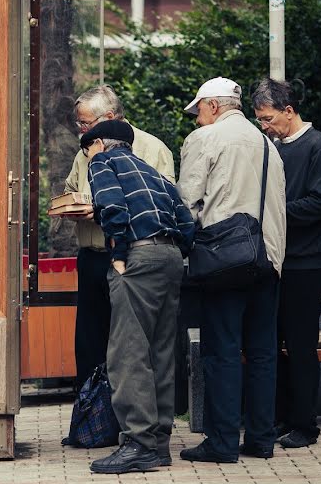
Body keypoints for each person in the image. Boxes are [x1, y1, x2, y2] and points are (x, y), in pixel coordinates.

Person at [177, 77, 287, 463]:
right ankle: (260, 439)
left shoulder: (204, 140)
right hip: (268, 259)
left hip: (224, 261)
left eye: (198, 112)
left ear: (212, 106)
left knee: (221, 351)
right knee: (262, 353)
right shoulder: (268, 144)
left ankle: (221, 443)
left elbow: (187, 201)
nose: (196, 120)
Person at [81, 120, 195, 474]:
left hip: (138, 259)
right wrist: (178, 252)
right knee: (161, 350)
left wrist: (118, 254)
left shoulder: (103, 163)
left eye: (87, 151)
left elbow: (112, 207)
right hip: (170, 258)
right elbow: (185, 219)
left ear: (99, 143)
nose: (88, 158)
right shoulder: (153, 172)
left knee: (127, 353)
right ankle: (159, 443)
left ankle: (138, 443)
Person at [62, 86, 176, 393]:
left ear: (109, 117)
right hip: (91, 255)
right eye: (79, 123)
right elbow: (72, 187)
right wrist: (71, 206)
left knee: (129, 343)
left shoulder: (152, 149)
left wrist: (101, 211)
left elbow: (167, 206)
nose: (80, 130)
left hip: (131, 258)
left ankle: (128, 421)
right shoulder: (85, 151)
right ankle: (91, 420)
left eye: (85, 123)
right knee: (88, 342)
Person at [252, 78, 321, 449]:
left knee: (301, 345)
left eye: (268, 118)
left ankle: (306, 424)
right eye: (259, 119)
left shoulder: (319, 146)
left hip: (307, 261)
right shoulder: (272, 147)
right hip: (276, 259)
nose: (264, 126)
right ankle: (280, 417)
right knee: (273, 342)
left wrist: (275, 213)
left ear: (289, 111)